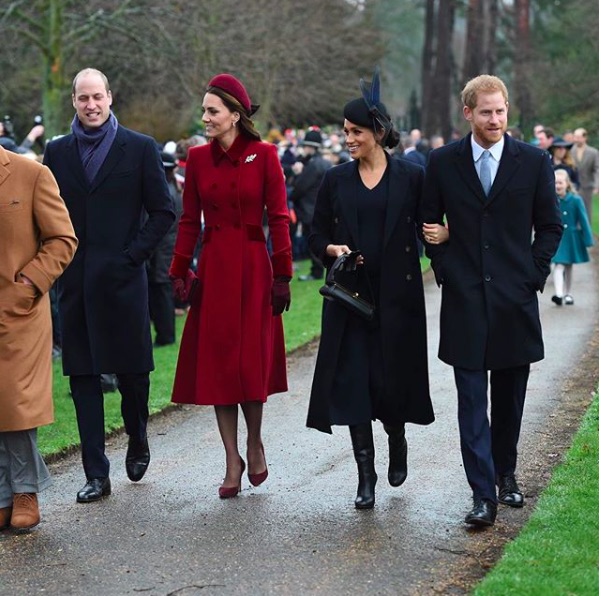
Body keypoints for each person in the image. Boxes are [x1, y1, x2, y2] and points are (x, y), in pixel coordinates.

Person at [420, 74, 563, 528]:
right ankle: (482, 494)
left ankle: (506, 474)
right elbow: (427, 224)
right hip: (464, 299)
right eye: (486, 112)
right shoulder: (442, 163)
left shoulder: (533, 162)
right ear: (468, 113)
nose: (495, 119)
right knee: (469, 401)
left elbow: (551, 226)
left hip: (513, 300)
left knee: (508, 399)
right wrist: (446, 269)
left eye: (500, 111)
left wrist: (531, 277)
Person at [43, 68, 175, 503]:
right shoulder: (57, 153)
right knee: (82, 376)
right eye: (83, 99)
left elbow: (162, 212)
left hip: (124, 281)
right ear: (75, 103)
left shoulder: (138, 148)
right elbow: (46, 215)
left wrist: (131, 257)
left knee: (133, 375)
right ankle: (96, 472)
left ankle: (138, 437)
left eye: (97, 97)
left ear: (110, 98)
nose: (91, 105)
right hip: (77, 284)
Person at [306, 69, 435, 510]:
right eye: (345, 132)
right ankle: (366, 476)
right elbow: (314, 232)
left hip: (397, 300)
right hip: (350, 299)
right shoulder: (335, 180)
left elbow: (427, 226)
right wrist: (330, 248)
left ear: (378, 132)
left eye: (355, 131)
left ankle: (396, 439)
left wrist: (444, 240)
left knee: (390, 382)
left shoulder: (411, 177)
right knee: (353, 384)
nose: (348, 139)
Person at [169, 73, 292, 499]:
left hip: (255, 269)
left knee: (248, 363)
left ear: (234, 115)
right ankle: (230, 460)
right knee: (221, 364)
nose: (204, 117)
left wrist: (283, 275)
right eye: (204, 110)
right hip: (216, 268)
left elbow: (278, 217)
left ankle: (254, 443)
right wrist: (179, 271)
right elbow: (188, 221)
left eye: (212, 110)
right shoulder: (199, 160)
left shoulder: (266, 154)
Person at [0, 145, 77, 532]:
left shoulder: (31, 173)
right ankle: (2, 495)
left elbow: (62, 239)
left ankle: (25, 490)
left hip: (17, 312)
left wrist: (28, 284)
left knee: (15, 401)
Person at [147, 151, 183, 346]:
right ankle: (165, 333)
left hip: (163, 248)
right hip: (168, 246)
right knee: (163, 292)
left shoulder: (166, 191)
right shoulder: (173, 188)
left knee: (162, 293)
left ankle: (165, 335)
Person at [290, 128, 332, 281]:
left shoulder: (314, 165)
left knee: (313, 242)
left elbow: (300, 188)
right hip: (319, 208)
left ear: (311, 147)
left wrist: (296, 175)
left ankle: (316, 272)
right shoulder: (325, 163)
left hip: (309, 209)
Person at [550, 169, 594, 306]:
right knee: (559, 265)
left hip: (571, 238)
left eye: (560, 183)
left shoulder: (576, 200)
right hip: (556, 238)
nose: (558, 185)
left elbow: (583, 220)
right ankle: (558, 294)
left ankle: (567, 294)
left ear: (567, 183)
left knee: (568, 267)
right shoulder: (550, 199)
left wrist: (588, 239)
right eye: (555, 182)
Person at [570, 128, 599, 222]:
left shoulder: (593, 152)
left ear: (584, 138)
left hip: (587, 187)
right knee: (573, 212)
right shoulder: (570, 151)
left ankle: (587, 235)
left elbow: (597, 169)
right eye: (575, 136)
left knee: (587, 213)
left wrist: (597, 185)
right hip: (573, 187)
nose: (576, 139)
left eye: (578, 137)